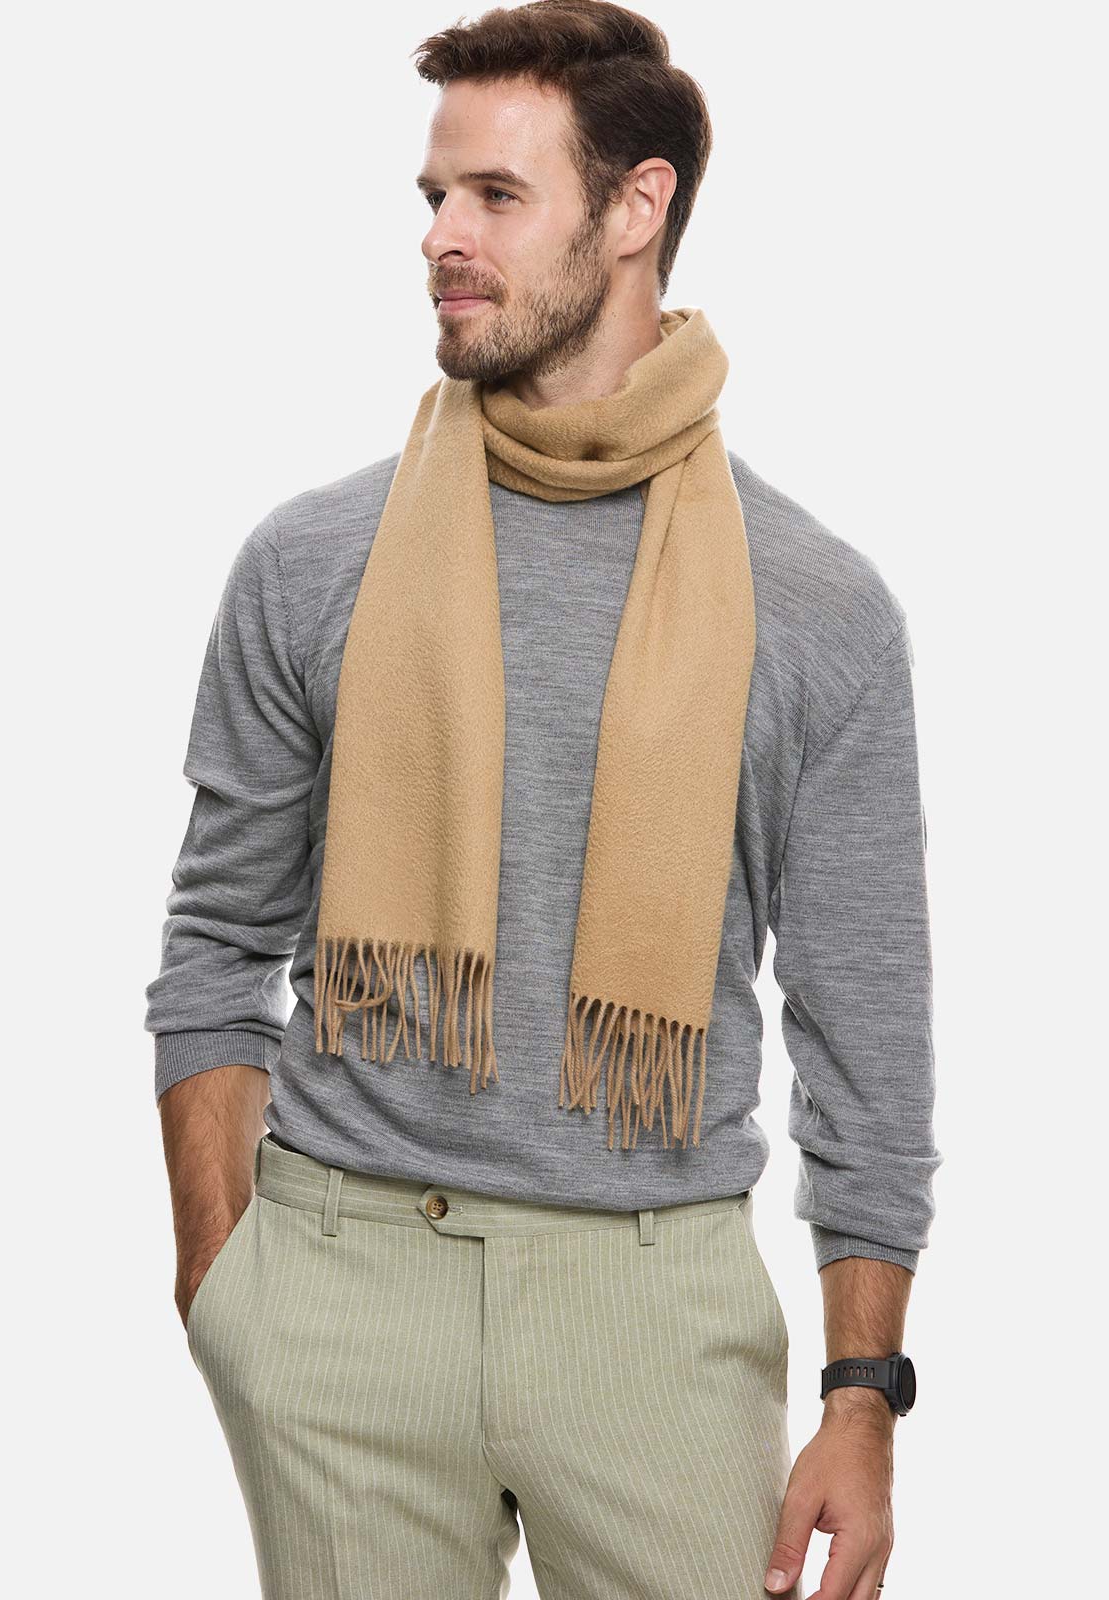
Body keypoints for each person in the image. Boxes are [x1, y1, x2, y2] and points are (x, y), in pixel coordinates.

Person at [144, 3, 941, 1596]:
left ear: (636, 209)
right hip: (342, 1294)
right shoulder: (312, 563)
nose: (440, 236)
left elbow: (865, 1030)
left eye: (496, 196)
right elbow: (215, 943)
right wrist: (225, 1288)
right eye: (435, 196)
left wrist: (864, 1396)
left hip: (652, 1316)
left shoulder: (815, 607)